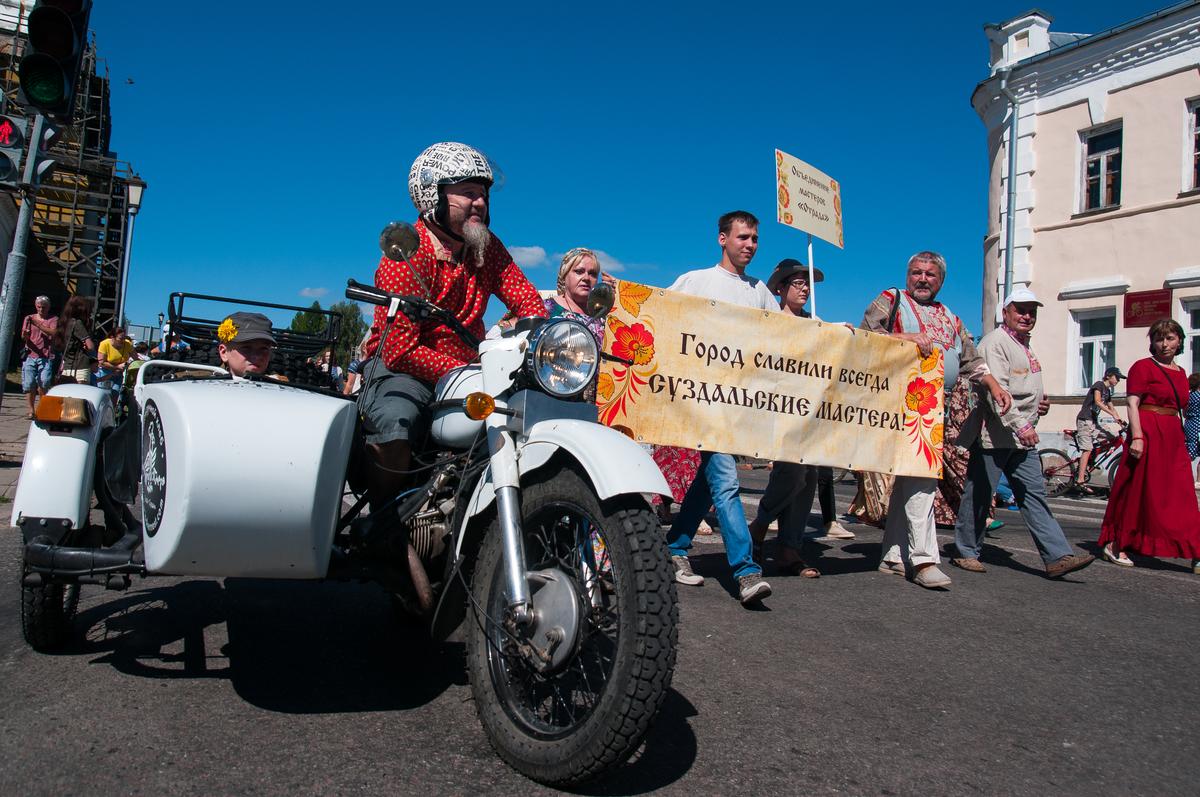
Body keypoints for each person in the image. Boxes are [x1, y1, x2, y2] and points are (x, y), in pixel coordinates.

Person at [359, 142, 546, 503]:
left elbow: (527, 299)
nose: (480, 202)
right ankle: (382, 523)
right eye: (468, 193)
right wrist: (468, 370)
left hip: (471, 370)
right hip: (407, 371)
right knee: (396, 426)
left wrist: (538, 337)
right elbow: (400, 351)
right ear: (433, 196)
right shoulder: (408, 254)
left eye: (483, 195)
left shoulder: (487, 248)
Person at [860, 251, 1011, 589]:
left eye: (930, 274)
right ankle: (924, 558)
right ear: (907, 275)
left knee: (912, 481)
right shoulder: (891, 300)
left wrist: (994, 386)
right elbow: (864, 338)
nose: (923, 279)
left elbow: (972, 361)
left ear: (941, 280)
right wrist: (904, 339)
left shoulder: (951, 318)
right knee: (923, 479)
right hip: (899, 404)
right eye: (916, 272)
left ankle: (892, 555)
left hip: (935, 409)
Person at [663, 210, 775, 606]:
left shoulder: (759, 291)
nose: (750, 245)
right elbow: (660, 314)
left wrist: (834, 334)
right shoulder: (696, 281)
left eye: (755, 239)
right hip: (701, 404)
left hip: (738, 406)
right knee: (725, 480)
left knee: (706, 482)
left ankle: (675, 547)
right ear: (722, 239)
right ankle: (746, 572)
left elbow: (790, 337)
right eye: (743, 237)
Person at [950, 288, 1096, 579]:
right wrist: (1022, 425)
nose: (1027, 316)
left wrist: (1041, 402)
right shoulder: (996, 342)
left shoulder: (1025, 346)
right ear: (1006, 313)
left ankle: (1057, 556)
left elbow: (1021, 387)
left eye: (1032, 311)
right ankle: (966, 550)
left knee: (1033, 494)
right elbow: (996, 395)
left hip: (1022, 436)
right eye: (1021, 310)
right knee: (980, 494)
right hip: (995, 434)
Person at [747, 258, 832, 578]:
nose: (805, 289)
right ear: (781, 289)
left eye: (807, 284)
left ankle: (789, 549)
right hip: (778, 411)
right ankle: (761, 522)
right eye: (798, 283)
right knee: (793, 474)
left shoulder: (814, 321)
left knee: (809, 476)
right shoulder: (771, 320)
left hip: (809, 413)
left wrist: (841, 334)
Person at [1098, 319, 1200, 574]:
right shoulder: (1143, 367)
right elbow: (1133, 404)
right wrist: (1138, 436)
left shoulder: (1181, 373)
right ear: (1152, 342)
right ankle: (1117, 543)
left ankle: (1195, 548)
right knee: (1140, 491)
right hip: (1148, 430)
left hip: (1173, 435)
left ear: (1180, 341)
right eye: (1159, 339)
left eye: (1170, 338)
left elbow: (1185, 408)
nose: (1164, 344)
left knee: (1181, 492)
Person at [1073, 366, 1126, 494]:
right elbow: (1097, 401)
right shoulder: (1099, 385)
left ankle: (1090, 462)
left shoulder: (1107, 392)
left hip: (1094, 422)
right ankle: (1080, 480)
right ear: (1109, 375)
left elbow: (1112, 408)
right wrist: (1112, 415)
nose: (1118, 380)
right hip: (1085, 420)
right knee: (1087, 449)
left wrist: (1121, 423)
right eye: (1117, 377)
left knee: (1113, 437)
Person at [20, 295, 57, 419]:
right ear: (36, 306)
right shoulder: (29, 318)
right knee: (29, 384)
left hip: (46, 356)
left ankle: (42, 408)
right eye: (39, 307)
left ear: (48, 307)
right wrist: (25, 335)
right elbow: (23, 337)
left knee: (44, 382)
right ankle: (31, 410)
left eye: (44, 307)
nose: (41, 309)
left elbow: (53, 333)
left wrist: (38, 324)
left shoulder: (53, 319)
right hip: (30, 354)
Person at [216, 311, 276, 378]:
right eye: (246, 348)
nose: (257, 356)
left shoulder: (280, 386)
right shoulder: (206, 385)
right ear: (224, 352)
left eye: (264, 349)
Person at [51, 295, 96, 385]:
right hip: (80, 367)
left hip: (67, 366)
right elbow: (90, 346)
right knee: (79, 397)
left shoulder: (64, 323)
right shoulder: (77, 323)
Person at [95, 327, 135, 395]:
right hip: (105, 373)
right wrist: (117, 367)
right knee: (104, 395)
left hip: (119, 374)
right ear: (112, 337)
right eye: (120, 339)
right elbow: (101, 363)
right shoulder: (104, 344)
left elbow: (136, 357)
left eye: (124, 338)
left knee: (115, 395)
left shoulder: (127, 344)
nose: (123, 341)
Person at [1184, 373, 1200, 487]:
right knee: (1193, 453)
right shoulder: (1199, 397)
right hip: (1198, 426)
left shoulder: (1188, 397)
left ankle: (1188, 479)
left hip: (1189, 424)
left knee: (1189, 452)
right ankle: (1198, 480)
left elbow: (1184, 413)